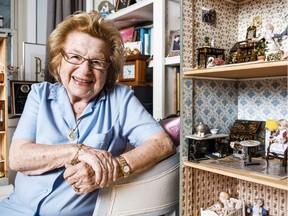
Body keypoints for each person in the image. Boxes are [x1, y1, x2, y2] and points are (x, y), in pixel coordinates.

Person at [0, 11, 175, 216]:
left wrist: (115, 168)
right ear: (59, 60)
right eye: (75, 56)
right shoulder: (40, 94)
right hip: (14, 209)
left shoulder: (119, 99)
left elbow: (162, 144)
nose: (85, 71)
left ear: (108, 70)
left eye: (97, 62)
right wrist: (76, 151)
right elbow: (18, 157)